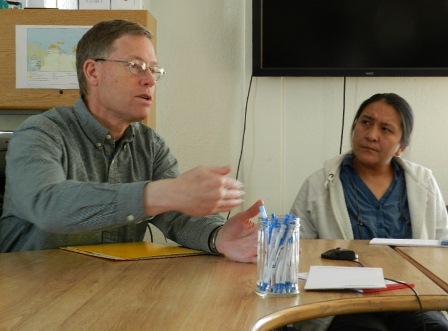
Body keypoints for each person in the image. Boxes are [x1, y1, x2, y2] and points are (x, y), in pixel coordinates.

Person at [0, 19, 261, 263]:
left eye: (154, 70)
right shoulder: (39, 133)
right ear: (93, 72)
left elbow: (177, 215)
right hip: (30, 296)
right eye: (135, 66)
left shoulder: (150, 145)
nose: (149, 80)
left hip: (114, 290)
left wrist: (218, 236)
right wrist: (158, 193)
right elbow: (48, 204)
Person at [290, 93, 448, 331]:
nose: (371, 135)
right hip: (344, 303)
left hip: (411, 298)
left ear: (401, 147)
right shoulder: (319, 184)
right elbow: (296, 252)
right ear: (354, 127)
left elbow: (441, 249)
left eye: (385, 129)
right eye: (365, 122)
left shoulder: (423, 183)